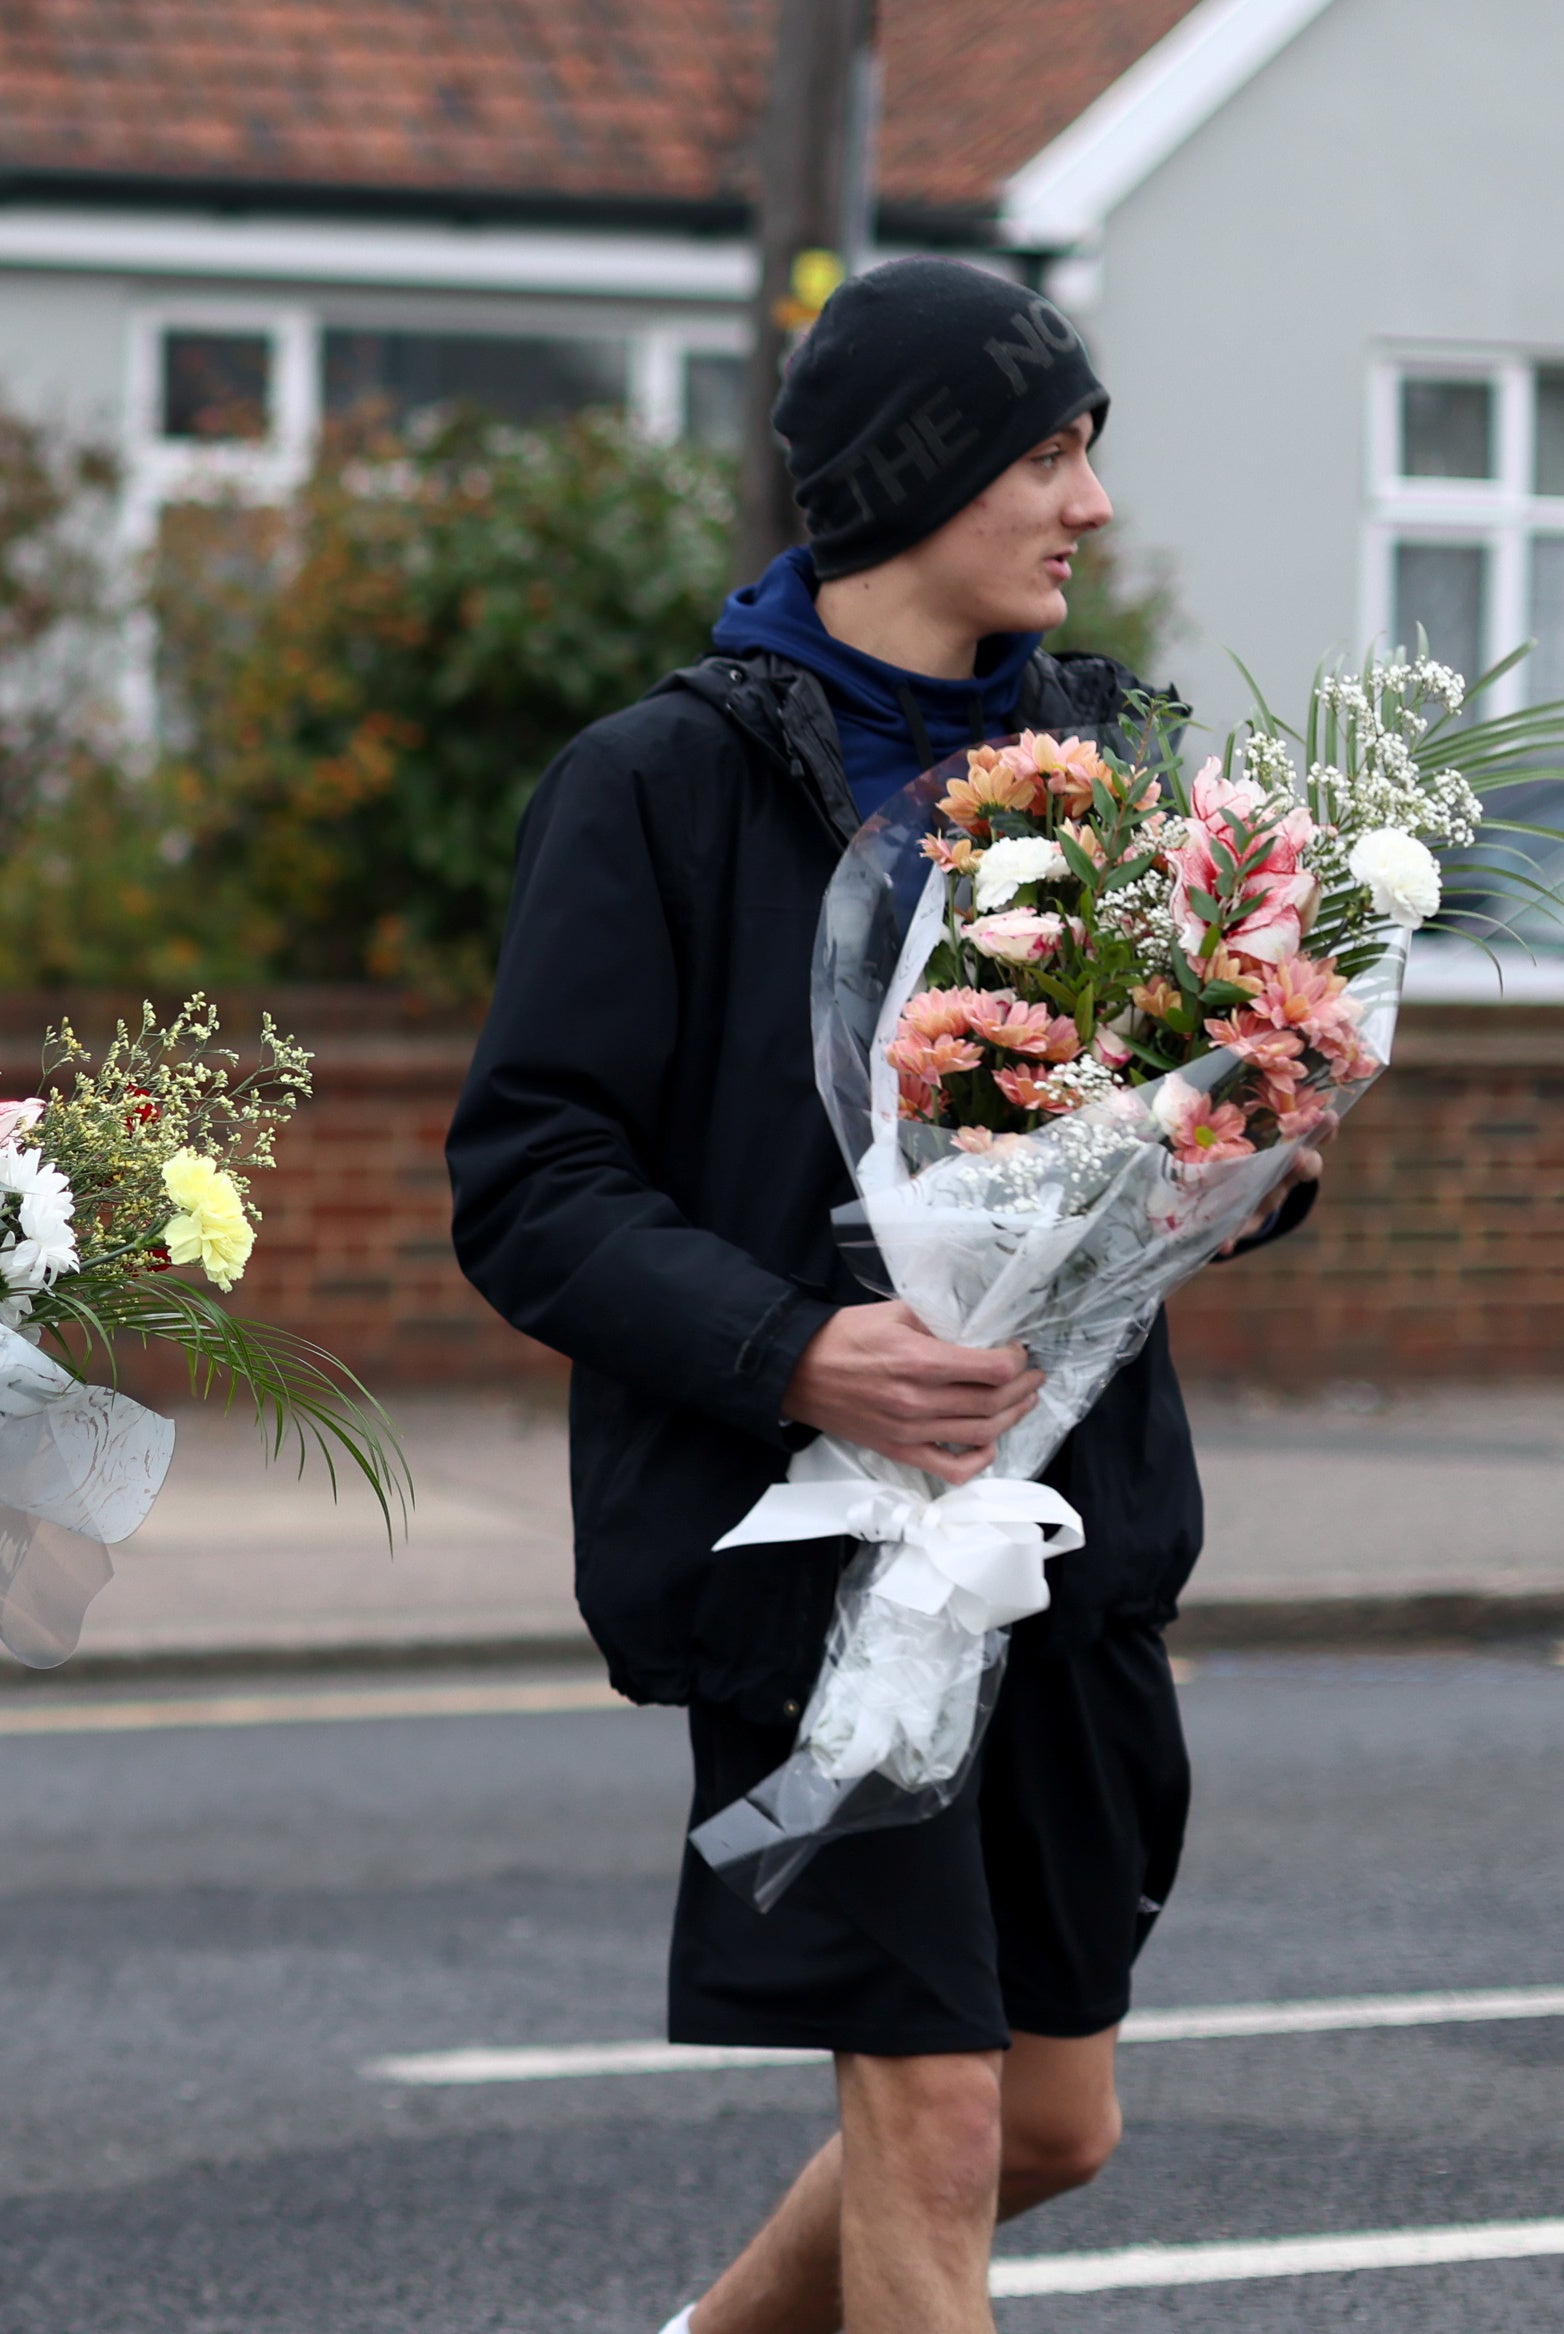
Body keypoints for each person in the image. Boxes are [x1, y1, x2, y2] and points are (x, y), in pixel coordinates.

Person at [446, 260, 1313, 2334]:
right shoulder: (654, 785)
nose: (1088, 503)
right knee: (925, 2121)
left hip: (1062, 1550)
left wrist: (1247, 1149)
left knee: (1045, 2122)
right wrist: (796, 1353)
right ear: (915, 475)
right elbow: (529, 1179)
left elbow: (1144, 1148)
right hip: (808, 1552)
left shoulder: (1107, 780)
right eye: (1045, 449)